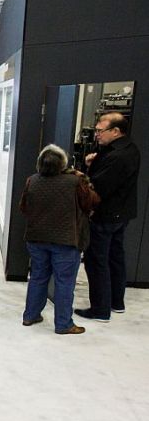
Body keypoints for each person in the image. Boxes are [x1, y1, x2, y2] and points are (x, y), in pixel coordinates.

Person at [21, 144, 98, 335]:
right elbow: (91, 202)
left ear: (40, 164)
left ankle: (30, 315)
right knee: (64, 282)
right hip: (66, 240)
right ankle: (63, 324)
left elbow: (24, 207)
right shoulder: (74, 181)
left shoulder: (32, 180)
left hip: (37, 238)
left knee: (38, 277)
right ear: (63, 163)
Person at [76, 112, 141, 321]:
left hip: (105, 216)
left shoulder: (116, 156)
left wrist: (82, 174)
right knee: (115, 258)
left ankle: (100, 309)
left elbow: (97, 187)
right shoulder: (128, 149)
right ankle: (116, 302)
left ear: (115, 131)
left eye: (99, 131)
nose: (96, 135)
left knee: (97, 261)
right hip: (121, 214)